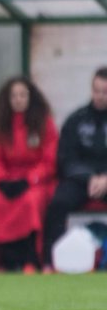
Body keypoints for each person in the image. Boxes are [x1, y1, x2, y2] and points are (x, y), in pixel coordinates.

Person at [0, 76, 57, 273]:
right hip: (4, 181)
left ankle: (30, 259)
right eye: (14, 96)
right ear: (7, 99)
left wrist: (30, 179)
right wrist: (2, 180)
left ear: (31, 98)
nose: (18, 99)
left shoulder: (45, 124)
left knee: (31, 201)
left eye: (22, 95)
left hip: (35, 182)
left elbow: (49, 160)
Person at [43, 67, 107, 267]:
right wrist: (90, 178)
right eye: (97, 91)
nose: (100, 96)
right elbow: (65, 159)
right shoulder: (76, 119)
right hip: (81, 181)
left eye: (105, 92)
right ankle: (51, 263)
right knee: (57, 204)